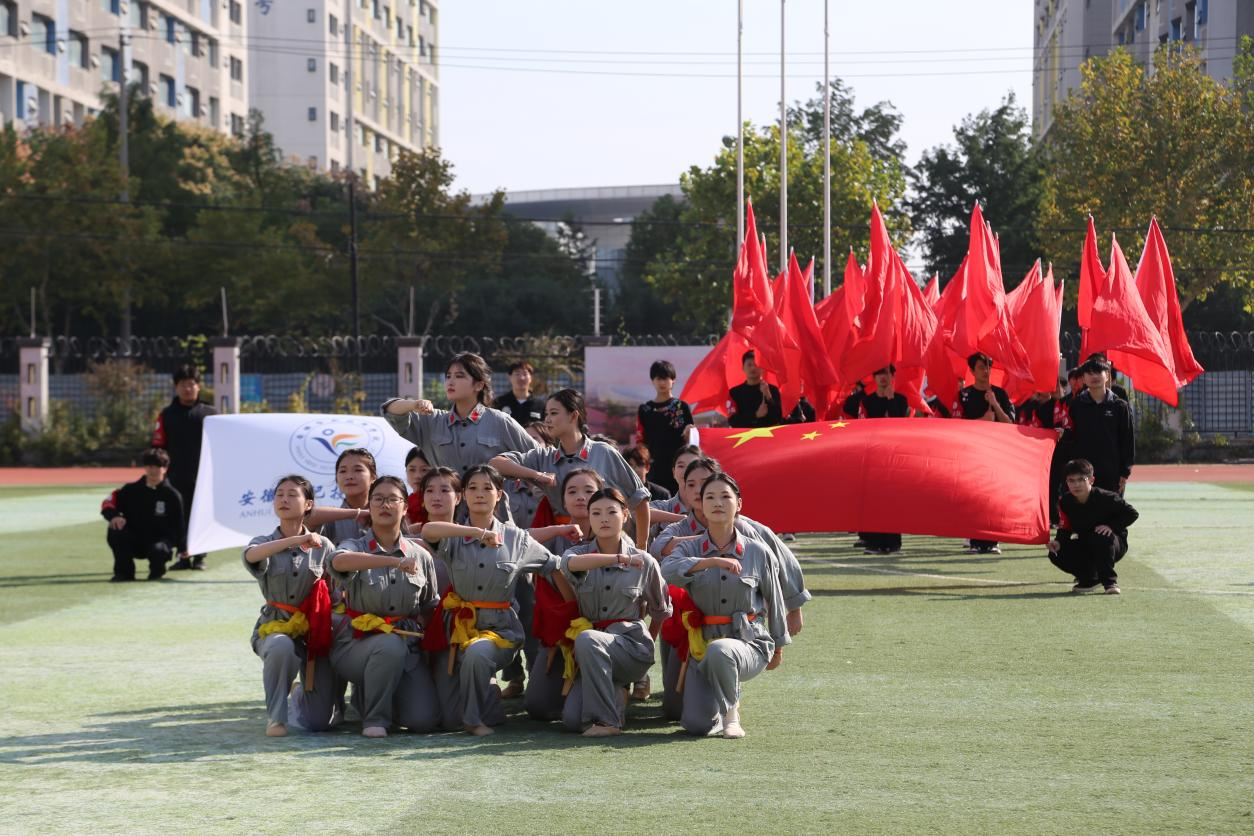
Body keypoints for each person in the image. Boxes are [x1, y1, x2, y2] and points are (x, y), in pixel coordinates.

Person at [420, 465, 575, 736]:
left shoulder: (517, 539)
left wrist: (572, 610)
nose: (480, 494)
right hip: (456, 630)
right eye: (472, 488)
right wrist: (479, 534)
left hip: (500, 630)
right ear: (463, 496)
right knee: (446, 719)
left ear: (500, 495)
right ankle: (488, 706)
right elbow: (428, 531)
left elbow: (554, 566)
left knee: (478, 654)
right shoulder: (453, 536)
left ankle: (473, 719)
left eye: (487, 488)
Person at [662, 472, 790, 738]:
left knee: (722, 650)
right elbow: (668, 569)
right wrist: (711, 562)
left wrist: (778, 643)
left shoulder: (757, 551)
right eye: (710, 497)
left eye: (725, 496)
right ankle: (718, 711)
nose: (717, 502)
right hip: (701, 647)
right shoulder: (691, 547)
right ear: (701, 505)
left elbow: (775, 599)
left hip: (749, 641)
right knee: (696, 725)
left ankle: (732, 715)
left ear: (739, 504)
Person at [328, 476, 441, 738]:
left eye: (393, 499)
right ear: (369, 506)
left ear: (405, 507)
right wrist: (390, 562)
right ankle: (374, 719)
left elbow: (429, 605)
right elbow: (337, 562)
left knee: (423, 721)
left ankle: (380, 695)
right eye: (378, 499)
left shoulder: (420, 554)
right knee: (388, 645)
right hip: (356, 644)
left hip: (408, 646)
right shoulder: (354, 546)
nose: (385, 505)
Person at [559, 488, 671, 737]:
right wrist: (615, 559)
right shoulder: (578, 554)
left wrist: (647, 643)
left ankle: (607, 722)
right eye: (596, 513)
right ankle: (617, 691)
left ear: (626, 515)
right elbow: (567, 565)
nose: (604, 519)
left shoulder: (644, 561)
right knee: (571, 720)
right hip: (592, 653)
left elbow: (662, 610)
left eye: (612, 512)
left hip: (630, 648)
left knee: (587, 639)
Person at [382, 353, 539, 521]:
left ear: (478, 385)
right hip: (447, 519)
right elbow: (389, 411)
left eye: (459, 376)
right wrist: (413, 404)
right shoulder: (432, 420)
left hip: (492, 520)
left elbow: (538, 457)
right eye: (448, 376)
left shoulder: (500, 422)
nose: (451, 381)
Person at [489, 388, 651, 547]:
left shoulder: (603, 452)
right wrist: (537, 475)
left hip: (606, 544)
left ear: (573, 416)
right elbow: (496, 464)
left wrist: (642, 546)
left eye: (553, 413)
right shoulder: (544, 457)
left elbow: (640, 499)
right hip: (564, 545)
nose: (547, 420)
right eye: (546, 414)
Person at [242, 475, 337, 737]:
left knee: (318, 723)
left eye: (292, 494)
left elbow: (336, 588)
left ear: (308, 505)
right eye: (279, 494)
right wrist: (294, 542)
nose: (284, 499)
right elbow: (251, 556)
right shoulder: (263, 543)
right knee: (280, 645)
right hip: (275, 626)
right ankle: (276, 718)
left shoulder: (324, 546)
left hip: (314, 631)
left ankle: (299, 695)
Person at [153, 365, 217, 571]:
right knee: (180, 517)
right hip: (175, 476)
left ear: (199, 387)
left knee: (202, 515)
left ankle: (200, 557)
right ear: (176, 387)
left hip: (204, 476)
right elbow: (158, 446)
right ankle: (183, 556)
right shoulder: (167, 415)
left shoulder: (211, 414)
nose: (188, 389)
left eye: (192, 384)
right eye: (183, 385)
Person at [952, 352, 1015, 555]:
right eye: (981, 367)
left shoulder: (1000, 394)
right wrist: (981, 421)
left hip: (996, 451)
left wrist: (995, 404)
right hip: (971, 452)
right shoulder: (963, 395)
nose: (985, 371)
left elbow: (1010, 424)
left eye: (988, 366)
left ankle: (992, 539)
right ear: (972, 370)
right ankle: (975, 540)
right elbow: (955, 426)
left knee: (993, 496)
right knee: (974, 495)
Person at [1048, 459, 1139, 595]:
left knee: (1100, 536)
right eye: (1071, 480)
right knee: (1055, 553)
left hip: (1112, 543)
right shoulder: (1065, 502)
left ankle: (1109, 582)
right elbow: (1065, 527)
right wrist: (1058, 542)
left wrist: (1110, 526)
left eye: (1081, 479)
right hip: (1087, 542)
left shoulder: (1107, 498)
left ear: (1091, 480)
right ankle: (1090, 578)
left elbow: (1132, 513)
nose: (1076, 484)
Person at [101, 448, 185, 582]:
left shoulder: (173, 495)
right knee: (115, 530)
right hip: (135, 540)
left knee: (158, 550)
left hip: (159, 543)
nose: (153, 470)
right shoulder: (130, 490)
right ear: (145, 468)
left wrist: (183, 548)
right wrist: (114, 516)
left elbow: (180, 525)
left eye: (158, 466)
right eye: (149, 466)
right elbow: (108, 503)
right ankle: (124, 572)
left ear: (165, 468)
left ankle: (157, 571)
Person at [1057, 358, 1135, 494]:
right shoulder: (1076, 405)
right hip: (1083, 473)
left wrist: (1125, 472)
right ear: (1084, 379)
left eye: (1099, 372)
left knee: (1111, 512)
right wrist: (1063, 433)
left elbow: (1128, 440)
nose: (1094, 376)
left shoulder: (1120, 406)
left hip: (1112, 472)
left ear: (1107, 376)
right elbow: (1072, 434)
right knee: (1086, 513)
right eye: (1089, 373)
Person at [856, 366, 909, 555]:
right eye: (879, 374)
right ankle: (874, 542)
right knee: (873, 500)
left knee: (893, 499)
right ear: (874, 377)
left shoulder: (901, 400)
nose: (883, 378)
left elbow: (899, 423)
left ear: (893, 376)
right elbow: (864, 427)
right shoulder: (867, 401)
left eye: (886, 373)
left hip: (894, 457)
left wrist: (890, 399)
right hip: (872, 456)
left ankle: (893, 542)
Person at [635, 360, 694, 493]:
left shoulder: (682, 407)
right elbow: (641, 441)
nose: (662, 382)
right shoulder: (645, 409)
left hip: (679, 465)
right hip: (654, 467)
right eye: (658, 378)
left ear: (673, 380)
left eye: (666, 378)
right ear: (652, 381)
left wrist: (688, 435)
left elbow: (692, 439)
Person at [727, 351, 783, 428]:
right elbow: (733, 421)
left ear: (762, 368)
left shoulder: (772, 390)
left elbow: (778, 417)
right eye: (749, 365)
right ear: (743, 368)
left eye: (756, 364)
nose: (753, 368)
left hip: (769, 437)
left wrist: (768, 396)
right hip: (745, 438)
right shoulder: (734, 393)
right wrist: (755, 415)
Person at [493, 361, 547, 427]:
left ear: (531, 378)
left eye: (525, 374)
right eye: (517, 374)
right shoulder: (499, 403)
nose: (521, 378)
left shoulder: (541, 405)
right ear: (509, 377)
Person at [404, 447, 432, 528]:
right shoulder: (403, 501)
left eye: (424, 470)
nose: (417, 476)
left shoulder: (439, 498)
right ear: (406, 471)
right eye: (412, 470)